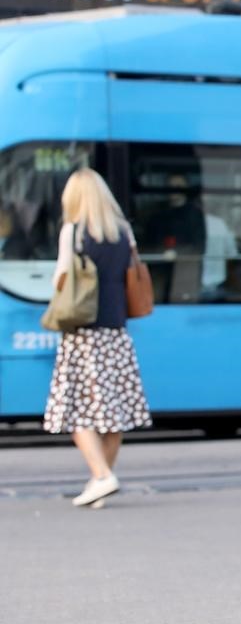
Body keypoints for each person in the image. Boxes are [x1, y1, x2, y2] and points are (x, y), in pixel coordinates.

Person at [42, 169, 153, 509]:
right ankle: (99, 481)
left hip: (82, 335)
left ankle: (103, 477)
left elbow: (61, 279)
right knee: (114, 414)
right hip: (116, 333)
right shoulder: (124, 232)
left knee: (77, 413)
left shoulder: (72, 232)